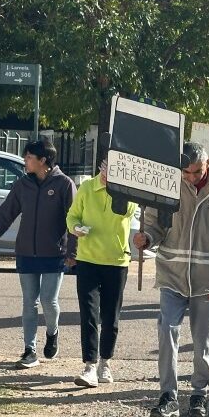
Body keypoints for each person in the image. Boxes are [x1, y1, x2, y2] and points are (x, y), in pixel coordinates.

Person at [137, 143, 209, 417]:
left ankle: (199, 393)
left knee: (203, 341)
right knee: (167, 331)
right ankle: (168, 395)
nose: (190, 177)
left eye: (196, 171)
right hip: (172, 275)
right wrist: (147, 237)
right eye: (185, 172)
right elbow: (154, 223)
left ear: (208, 163)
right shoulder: (167, 186)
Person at [0, 139, 77, 369]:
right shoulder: (22, 186)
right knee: (30, 302)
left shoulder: (64, 184)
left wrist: (73, 251)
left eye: (29, 157)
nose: (25, 161)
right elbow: (3, 216)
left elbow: (74, 220)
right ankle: (30, 350)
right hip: (26, 254)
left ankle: (52, 332)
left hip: (54, 254)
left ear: (43, 160)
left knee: (49, 300)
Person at [65, 161, 137, 388]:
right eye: (106, 169)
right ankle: (89, 366)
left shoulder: (126, 190)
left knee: (110, 317)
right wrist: (75, 228)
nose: (108, 174)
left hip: (116, 261)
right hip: (87, 260)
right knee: (88, 313)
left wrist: (119, 188)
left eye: (114, 170)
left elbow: (129, 211)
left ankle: (105, 362)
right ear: (100, 167)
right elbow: (71, 216)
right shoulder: (87, 188)